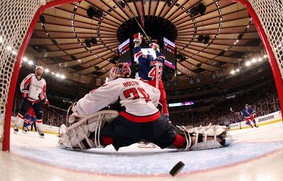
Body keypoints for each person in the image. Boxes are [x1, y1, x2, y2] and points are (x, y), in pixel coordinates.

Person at [59, 63, 233, 151]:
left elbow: (88, 104)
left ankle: (73, 142)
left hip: (128, 126)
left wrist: (75, 111)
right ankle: (216, 139)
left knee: (99, 133)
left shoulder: (115, 83)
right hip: (155, 121)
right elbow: (156, 95)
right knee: (180, 140)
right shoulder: (141, 83)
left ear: (114, 74)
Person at [132, 33, 170, 122]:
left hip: (149, 89)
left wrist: (137, 43)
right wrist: (155, 48)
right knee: (164, 110)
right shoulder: (160, 60)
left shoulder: (145, 62)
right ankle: (167, 122)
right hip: (160, 88)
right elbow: (161, 55)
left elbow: (137, 52)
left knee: (147, 113)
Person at [14, 66, 48, 137]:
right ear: (35, 71)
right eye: (38, 70)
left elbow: (43, 93)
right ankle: (16, 126)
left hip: (36, 101)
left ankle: (40, 130)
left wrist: (45, 100)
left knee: (39, 115)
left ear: (42, 72)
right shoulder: (31, 76)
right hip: (28, 99)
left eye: (40, 70)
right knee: (22, 112)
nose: (39, 71)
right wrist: (24, 91)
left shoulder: (43, 82)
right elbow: (23, 84)